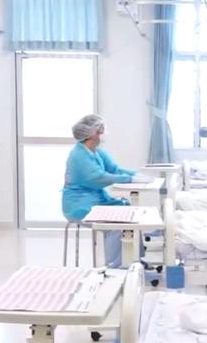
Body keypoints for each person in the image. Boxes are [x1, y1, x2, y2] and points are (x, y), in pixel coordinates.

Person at [62, 114, 151, 267]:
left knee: (129, 210)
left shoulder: (96, 151)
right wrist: (129, 180)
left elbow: (114, 169)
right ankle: (115, 268)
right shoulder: (78, 155)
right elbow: (98, 178)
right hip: (79, 206)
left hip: (96, 200)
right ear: (93, 133)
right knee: (116, 224)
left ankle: (136, 259)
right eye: (101, 129)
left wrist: (135, 175)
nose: (104, 133)